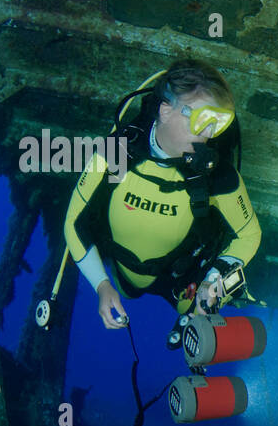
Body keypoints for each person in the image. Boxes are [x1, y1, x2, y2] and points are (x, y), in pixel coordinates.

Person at [63, 59, 261, 346]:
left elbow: (250, 234)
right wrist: (102, 285)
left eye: (219, 124)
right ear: (165, 110)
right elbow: (74, 222)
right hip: (122, 274)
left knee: (197, 327)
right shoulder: (120, 154)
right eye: (202, 119)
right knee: (128, 290)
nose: (209, 134)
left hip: (180, 280)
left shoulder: (216, 176)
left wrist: (212, 283)